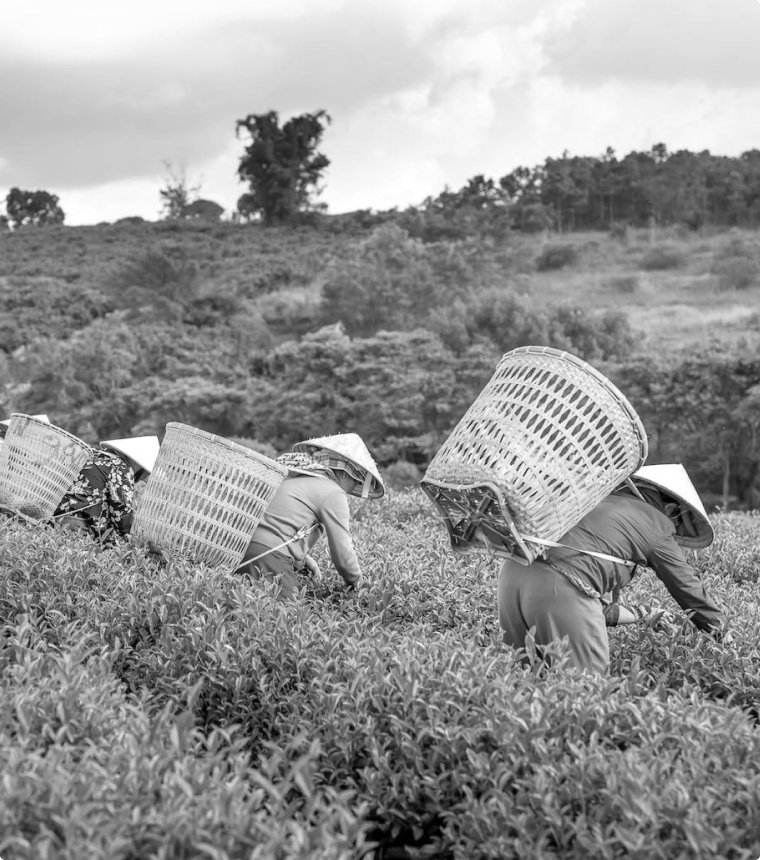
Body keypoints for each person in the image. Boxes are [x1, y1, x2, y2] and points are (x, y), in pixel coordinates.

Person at [498, 464, 724, 674]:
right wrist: (722, 633)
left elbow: (595, 607)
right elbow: (687, 586)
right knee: (584, 688)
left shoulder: (597, 503)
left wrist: (643, 613)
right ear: (671, 508)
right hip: (558, 586)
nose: (673, 533)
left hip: (512, 574)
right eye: (678, 524)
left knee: (523, 681)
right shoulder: (656, 523)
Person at [239, 433, 384, 600]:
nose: (355, 487)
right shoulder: (333, 492)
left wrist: (304, 559)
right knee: (289, 612)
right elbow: (342, 551)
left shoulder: (296, 479)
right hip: (268, 557)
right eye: (358, 481)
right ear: (345, 473)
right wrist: (358, 584)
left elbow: (276, 525)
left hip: (242, 548)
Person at [55, 435, 160, 541]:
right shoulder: (120, 467)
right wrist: (135, 537)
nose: (143, 477)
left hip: (56, 517)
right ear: (138, 465)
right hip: (78, 526)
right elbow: (121, 511)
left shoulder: (94, 456)